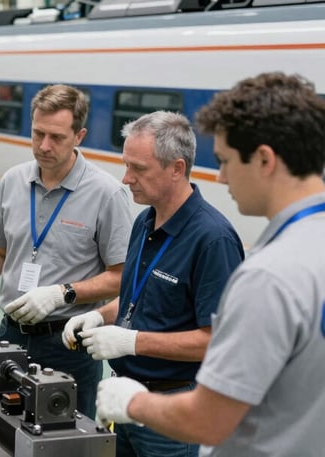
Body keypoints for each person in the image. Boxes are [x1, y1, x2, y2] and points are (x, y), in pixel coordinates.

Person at [94, 72, 325, 456]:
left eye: (226, 161)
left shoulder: (268, 275)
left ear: (264, 159)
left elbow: (209, 419)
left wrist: (133, 403)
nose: (222, 176)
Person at [63, 111, 244, 457]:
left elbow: (216, 341)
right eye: (126, 165)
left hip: (173, 412)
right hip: (126, 399)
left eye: (139, 169)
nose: (126, 178)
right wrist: (99, 316)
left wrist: (131, 342)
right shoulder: (145, 221)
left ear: (177, 168)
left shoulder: (212, 240)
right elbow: (140, 297)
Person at [0, 84, 133, 417]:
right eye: (38, 134)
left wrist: (59, 295)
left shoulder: (106, 194)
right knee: (2, 427)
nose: (44, 145)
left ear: (79, 136)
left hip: (68, 342)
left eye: (57, 137)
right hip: (10, 335)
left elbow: (122, 277)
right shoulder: (13, 181)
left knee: (67, 437)